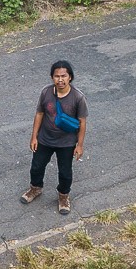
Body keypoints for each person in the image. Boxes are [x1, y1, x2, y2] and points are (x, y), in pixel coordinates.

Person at [21, 60, 88, 216]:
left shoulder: (78, 97)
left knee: (65, 172)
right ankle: (35, 189)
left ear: (70, 77)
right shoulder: (46, 92)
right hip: (45, 139)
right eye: (56, 76)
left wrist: (80, 145)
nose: (60, 80)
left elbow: (82, 122)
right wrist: (34, 137)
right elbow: (39, 114)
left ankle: (63, 196)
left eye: (64, 76)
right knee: (36, 166)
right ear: (52, 78)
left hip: (66, 143)